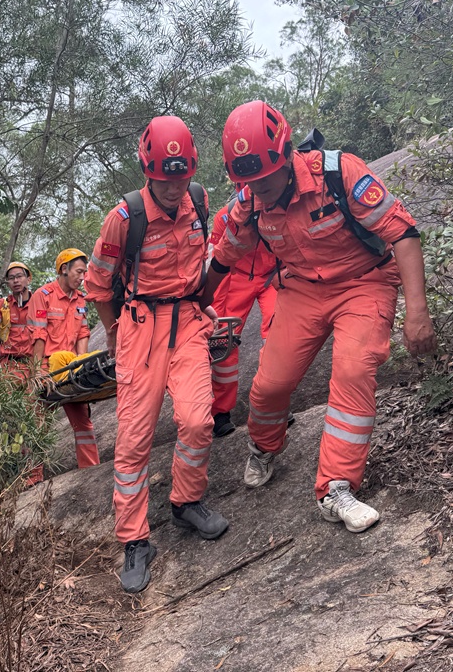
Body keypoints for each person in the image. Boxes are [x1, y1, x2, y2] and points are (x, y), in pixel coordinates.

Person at [202, 100, 437, 534]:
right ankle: (264, 445)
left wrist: (416, 310)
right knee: (270, 385)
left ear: (285, 154)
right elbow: (225, 256)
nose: (260, 189)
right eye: (249, 182)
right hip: (302, 291)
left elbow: (402, 233)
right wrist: (196, 302)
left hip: (364, 282)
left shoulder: (338, 172)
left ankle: (336, 488)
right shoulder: (249, 202)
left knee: (352, 372)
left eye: (265, 178)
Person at [86, 115, 229, 594]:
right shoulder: (124, 218)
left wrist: (205, 306)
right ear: (148, 170)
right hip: (140, 326)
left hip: (187, 320)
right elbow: (98, 283)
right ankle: (135, 539)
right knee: (133, 441)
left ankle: (186, 503)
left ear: (191, 169)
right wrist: (112, 330)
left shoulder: (200, 202)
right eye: (166, 179)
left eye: (182, 176)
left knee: (196, 421)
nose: (175, 187)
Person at [208, 190, 279, 437]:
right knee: (223, 340)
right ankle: (220, 413)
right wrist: (214, 310)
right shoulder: (224, 217)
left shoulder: (278, 205)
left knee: (278, 332)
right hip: (236, 278)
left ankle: (272, 399)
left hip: (272, 276)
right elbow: (218, 260)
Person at [28, 249, 101, 471]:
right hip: (47, 368)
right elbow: (38, 335)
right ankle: (32, 477)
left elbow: (83, 334)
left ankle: (91, 470)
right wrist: (37, 372)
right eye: (79, 271)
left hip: (69, 368)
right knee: (38, 424)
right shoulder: (43, 295)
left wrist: (82, 368)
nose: (82, 276)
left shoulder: (81, 299)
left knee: (84, 423)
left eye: (84, 272)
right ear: (64, 269)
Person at [0, 261, 34, 377]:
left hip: (32, 364)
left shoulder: (39, 303)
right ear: (7, 283)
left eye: (19, 276)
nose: (15, 281)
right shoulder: (2, 305)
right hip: (7, 365)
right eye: (11, 278)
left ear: (28, 279)